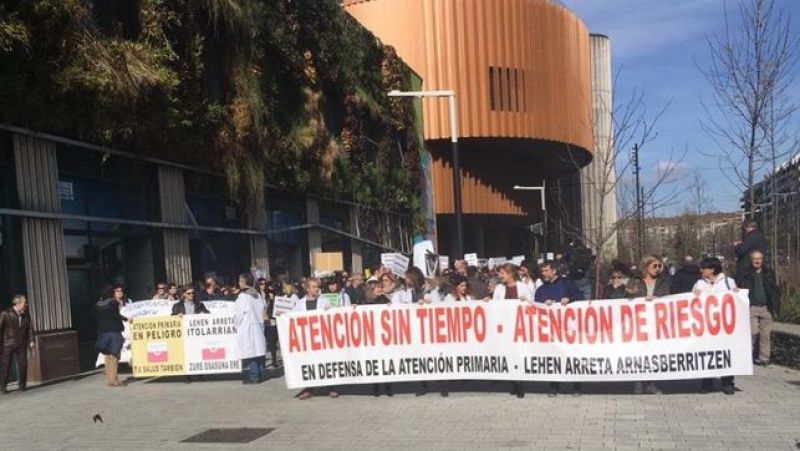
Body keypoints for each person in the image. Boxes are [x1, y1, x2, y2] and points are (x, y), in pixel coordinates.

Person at [535, 261, 584, 397]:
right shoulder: (542, 289)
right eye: (542, 271)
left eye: (546, 270)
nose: (543, 273)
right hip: (551, 330)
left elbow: (580, 297)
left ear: (554, 271)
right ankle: (554, 386)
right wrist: (543, 303)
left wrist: (569, 299)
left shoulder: (567, 284)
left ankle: (576, 386)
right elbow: (536, 302)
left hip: (569, 328)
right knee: (553, 356)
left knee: (571, 356)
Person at [693, 256, 738, 395]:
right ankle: (707, 382)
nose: (701, 270)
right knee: (706, 353)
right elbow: (691, 302)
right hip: (706, 326)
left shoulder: (728, 282)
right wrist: (695, 296)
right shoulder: (699, 284)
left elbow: (736, 300)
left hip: (723, 326)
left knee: (725, 353)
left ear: (712, 269)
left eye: (703, 268)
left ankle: (727, 382)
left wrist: (737, 294)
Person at [626, 255, 670, 395]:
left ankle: (651, 383)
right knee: (638, 352)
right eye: (654, 266)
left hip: (655, 322)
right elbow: (624, 300)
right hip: (638, 322)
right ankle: (638, 382)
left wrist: (658, 300)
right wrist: (630, 294)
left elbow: (668, 297)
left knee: (652, 352)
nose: (657, 269)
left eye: (659, 266)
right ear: (646, 266)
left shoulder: (662, 281)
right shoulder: (635, 281)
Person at [492, 263, 534, 398]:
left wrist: (525, 300)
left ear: (510, 274)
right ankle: (513, 382)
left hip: (519, 327)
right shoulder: (499, 288)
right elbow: (494, 305)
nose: (500, 276)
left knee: (519, 354)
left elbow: (532, 303)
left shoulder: (523, 287)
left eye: (502, 273)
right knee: (508, 354)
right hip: (505, 328)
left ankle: (520, 383)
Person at [737, 250, 781, 367]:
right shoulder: (746, 273)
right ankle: (747, 357)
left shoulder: (768, 272)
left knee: (765, 335)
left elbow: (774, 289)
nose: (757, 261)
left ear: (762, 260)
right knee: (753, 333)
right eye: (755, 259)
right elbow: (739, 286)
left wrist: (776, 302)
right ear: (751, 260)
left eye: (759, 259)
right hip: (752, 308)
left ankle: (764, 358)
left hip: (766, 308)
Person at [234, 273, 267, 385]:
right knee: (259, 351)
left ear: (243, 282)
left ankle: (254, 376)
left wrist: (236, 325)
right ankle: (261, 373)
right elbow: (263, 309)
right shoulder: (257, 295)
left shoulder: (243, 296)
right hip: (258, 324)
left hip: (248, 325)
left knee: (251, 351)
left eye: (239, 281)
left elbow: (239, 314)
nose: (238, 283)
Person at [94, 284, 130, 387]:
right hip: (113, 332)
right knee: (115, 355)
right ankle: (114, 380)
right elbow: (116, 316)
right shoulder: (113, 302)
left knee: (107, 355)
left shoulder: (98, 304)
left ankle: (109, 379)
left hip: (102, 332)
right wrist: (126, 320)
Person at [363, 278, 393, 397]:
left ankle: (388, 386)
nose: (380, 289)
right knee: (374, 362)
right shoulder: (364, 301)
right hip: (372, 337)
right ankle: (375, 387)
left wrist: (391, 305)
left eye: (381, 287)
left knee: (386, 361)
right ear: (371, 290)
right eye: (377, 288)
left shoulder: (384, 299)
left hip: (383, 336)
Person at [0, 295, 35, 393]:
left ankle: (22, 386)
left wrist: (31, 340)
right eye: (24, 303)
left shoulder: (26, 315)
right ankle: (3, 387)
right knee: (6, 365)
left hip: (21, 343)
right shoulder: (5, 314)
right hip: (8, 344)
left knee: (23, 364)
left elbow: (30, 329)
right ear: (18, 303)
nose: (26, 305)